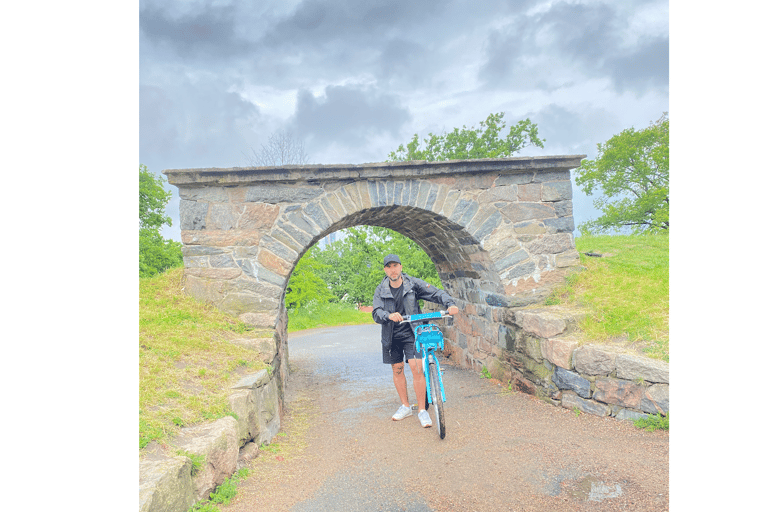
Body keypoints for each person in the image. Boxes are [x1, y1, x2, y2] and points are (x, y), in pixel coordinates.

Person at [372, 254, 459, 428]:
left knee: (417, 368)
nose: (393, 270)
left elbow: (435, 292)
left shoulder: (412, 284)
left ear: (401, 267)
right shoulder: (380, 289)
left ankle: (422, 410)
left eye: (395, 265)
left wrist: (449, 303)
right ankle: (405, 406)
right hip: (391, 335)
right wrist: (388, 315)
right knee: (397, 369)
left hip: (413, 332)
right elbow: (376, 312)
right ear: (385, 270)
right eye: (389, 267)